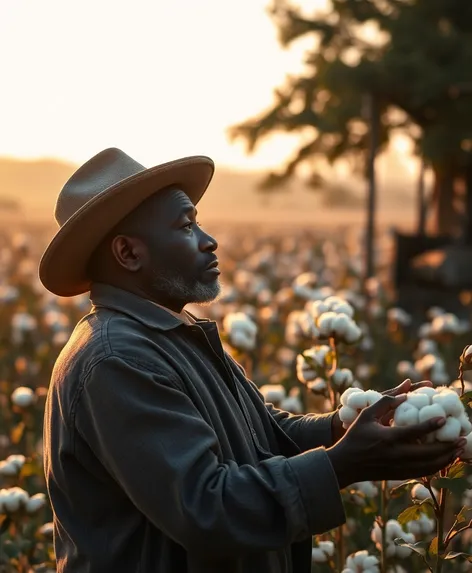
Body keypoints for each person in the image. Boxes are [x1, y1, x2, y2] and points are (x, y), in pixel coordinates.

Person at [39, 148, 465, 573]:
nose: (209, 240)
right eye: (186, 226)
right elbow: (206, 506)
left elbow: (262, 433)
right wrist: (344, 463)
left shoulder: (171, 333)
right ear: (129, 254)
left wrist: (345, 426)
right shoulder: (116, 360)